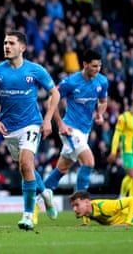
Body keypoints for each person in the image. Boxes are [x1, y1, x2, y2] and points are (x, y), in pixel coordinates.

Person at [0, 30, 60, 230]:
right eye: (5, 43)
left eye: (11, 43)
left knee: (27, 163)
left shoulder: (35, 70)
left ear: (22, 48)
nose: (6, 46)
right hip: (8, 128)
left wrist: (47, 120)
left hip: (31, 123)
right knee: (26, 169)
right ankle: (45, 194)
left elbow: (55, 94)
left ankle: (27, 215)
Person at [41, 48, 108, 204]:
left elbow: (103, 101)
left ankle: (38, 200)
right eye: (94, 66)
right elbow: (50, 101)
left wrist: (100, 113)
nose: (97, 69)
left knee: (62, 169)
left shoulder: (102, 81)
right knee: (89, 162)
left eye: (99, 66)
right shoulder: (71, 82)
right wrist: (60, 124)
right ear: (84, 64)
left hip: (84, 132)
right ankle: (81, 204)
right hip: (70, 129)